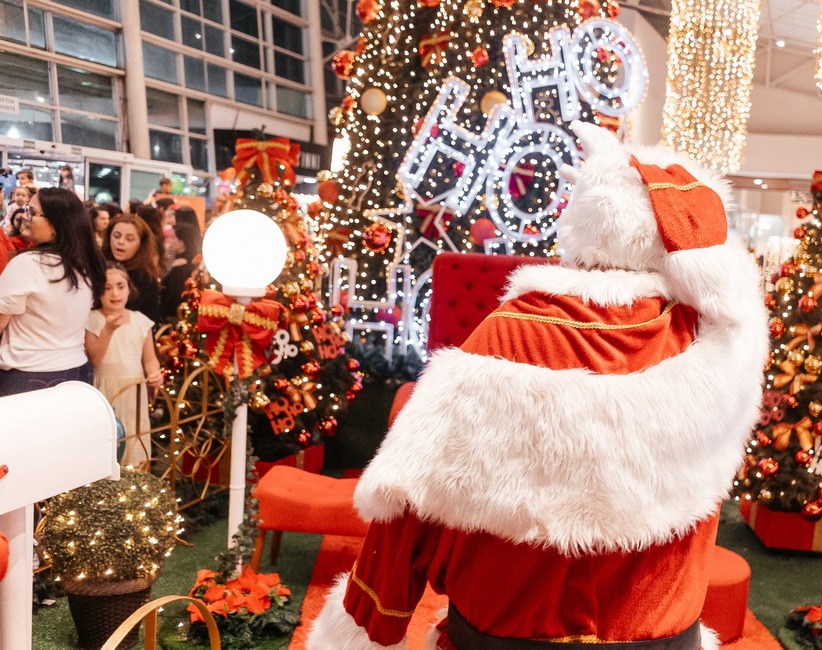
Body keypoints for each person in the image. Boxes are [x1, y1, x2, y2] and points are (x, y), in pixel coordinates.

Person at [308, 122, 767, 647]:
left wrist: (371, 620)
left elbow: (405, 503)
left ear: (583, 222)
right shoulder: (715, 341)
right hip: (659, 632)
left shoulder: (506, 335)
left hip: (503, 633)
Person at [0, 188, 106, 397]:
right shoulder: (85, 264)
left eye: (32, 212)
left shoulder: (28, 264)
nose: (25, 217)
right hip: (77, 371)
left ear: (57, 223)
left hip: (29, 374)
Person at [85, 263, 163, 468]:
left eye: (121, 286)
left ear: (130, 289)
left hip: (134, 392)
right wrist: (108, 331)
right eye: (107, 287)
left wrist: (155, 373)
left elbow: (149, 358)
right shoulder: (92, 320)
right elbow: (95, 358)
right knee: (108, 442)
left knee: (134, 440)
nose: (115, 293)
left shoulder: (140, 321)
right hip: (106, 389)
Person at [102, 214, 161, 323]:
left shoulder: (145, 278)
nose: (120, 242)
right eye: (116, 235)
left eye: (129, 239)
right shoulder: (99, 267)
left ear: (141, 244)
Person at [159, 223, 201, 324]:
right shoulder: (194, 260)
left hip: (175, 318)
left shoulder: (180, 264)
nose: (170, 241)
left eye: (173, 237)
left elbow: (173, 296)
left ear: (183, 242)